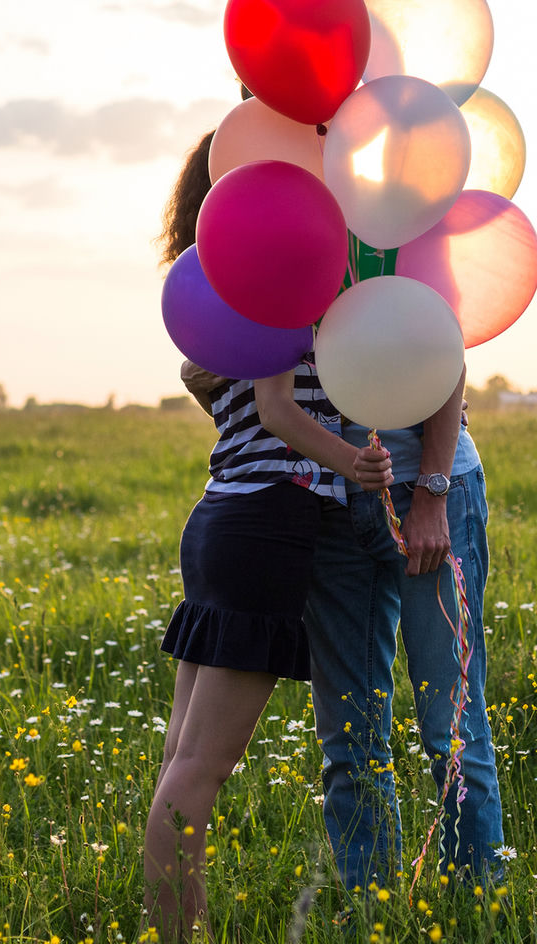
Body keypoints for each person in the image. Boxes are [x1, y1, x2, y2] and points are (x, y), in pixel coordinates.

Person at [142, 131, 392, 942]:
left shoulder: (225, 293)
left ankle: (178, 930)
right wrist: (355, 464)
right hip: (266, 520)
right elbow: (282, 412)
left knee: (183, 758)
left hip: (220, 512)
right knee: (202, 768)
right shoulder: (281, 282)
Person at [303, 371, 505, 896]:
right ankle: (371, 912)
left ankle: (475, 908)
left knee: (450, 726)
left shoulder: (408, 281)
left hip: (432, 492)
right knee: (349, 735)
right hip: (330, 505)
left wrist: (433, 493)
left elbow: (444, 353)